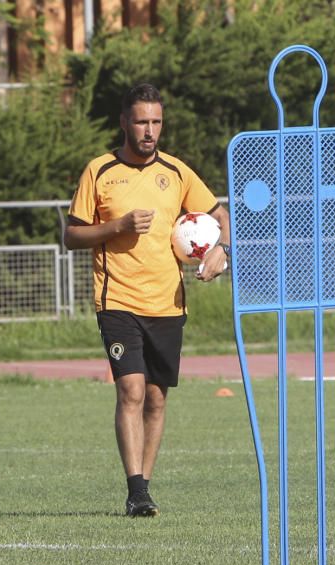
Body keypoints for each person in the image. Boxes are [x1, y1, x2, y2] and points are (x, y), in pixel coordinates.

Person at [64, 83, 231, 517]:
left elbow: (219, 216)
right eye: (141, 121)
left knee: (156, 397)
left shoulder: (176, 172)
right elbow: (72, 234)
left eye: (156, 121)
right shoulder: (99, 171)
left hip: (168, 302)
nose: (149, 130)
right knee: (131, 390)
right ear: (124, 122)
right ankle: (135, 490)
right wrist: (117, 225)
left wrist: (221, 250)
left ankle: (146, 488)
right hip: (117, 299)